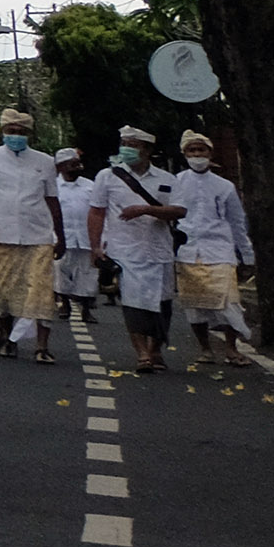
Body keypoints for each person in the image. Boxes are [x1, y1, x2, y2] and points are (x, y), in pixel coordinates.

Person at [0, 115, 66, 363]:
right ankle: (9, 339)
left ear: (29, 134)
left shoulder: (45, 162)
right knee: (3, 293)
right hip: (1, 235)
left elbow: (53, 201)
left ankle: (42, 347)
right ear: (2, 131)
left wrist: (61, 236)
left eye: (21, 130)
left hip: (39, 235)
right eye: (11, 129)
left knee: (41, 292)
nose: (15, 134)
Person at [91, 128, 187, 375]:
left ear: (147, 150)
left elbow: (180, 211)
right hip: (124, 250)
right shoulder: (107, 176)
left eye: (132, 144)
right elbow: (97, 212)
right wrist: (95, 246)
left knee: (162, 302)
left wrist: (146, 210)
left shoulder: (167, 179)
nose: (126, 148)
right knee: (133, 303)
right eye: (123, 143)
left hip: (159, 249)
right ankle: (142, 353)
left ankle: (156, 350)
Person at [166, 131, 256, 367]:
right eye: (192, 151)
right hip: (187, 251)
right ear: (185, 154)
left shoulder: (225, 186)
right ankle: (205, 349)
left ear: (210, 153)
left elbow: (237, 222)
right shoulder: (175, 182)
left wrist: (246, 254)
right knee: (194, 305)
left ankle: (231, 348)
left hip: (220, 251)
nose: (197, 155)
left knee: (229, 301)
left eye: (201, 150)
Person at [50, 131, 102, 320]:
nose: (76, 165)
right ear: (61, 166)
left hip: (86, 237)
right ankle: (64, 303)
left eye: (76, 162)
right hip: (62, 237)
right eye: (70, 163)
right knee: (61, 271)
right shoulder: (53, 187)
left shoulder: (90, 185)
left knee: (88, 273)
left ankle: (86, 309)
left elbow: (99, 211)